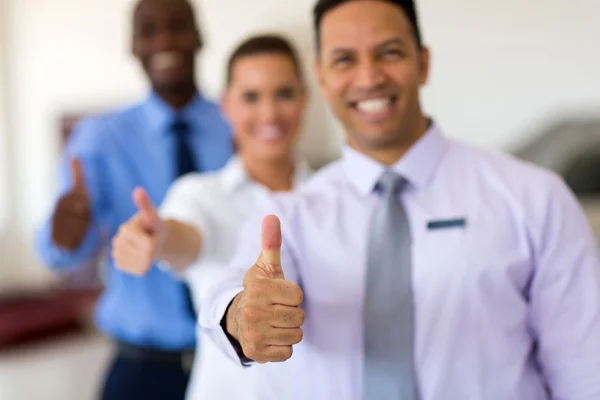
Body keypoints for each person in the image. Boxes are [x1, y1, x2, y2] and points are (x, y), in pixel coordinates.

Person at [199, 0, 600, 399]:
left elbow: (585, 369)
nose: (369, 77)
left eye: (389, 52)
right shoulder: (291, 216)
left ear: (423, 63)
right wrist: (242, 315)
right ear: (321, 78)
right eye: (344, 60)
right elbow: (231, 290)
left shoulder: (535, 198)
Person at [35, 0, 232, 399]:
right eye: (148, 30)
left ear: (199, 36)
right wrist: (67, 234)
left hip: (233, 362)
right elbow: (60, 255)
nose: (164, 40)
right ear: (133, 45)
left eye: (178, 26)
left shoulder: (239, 122)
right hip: (143, 368)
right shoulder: (99, 137)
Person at [111, 34, 310, 400]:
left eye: (284, 93)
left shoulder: (331, 196)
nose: (269, 113)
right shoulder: (200, 194)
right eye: (251, 97)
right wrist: (158, 239)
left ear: (305, 98)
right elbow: (185, 238)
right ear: (227, 105)